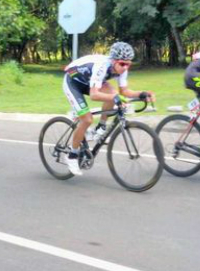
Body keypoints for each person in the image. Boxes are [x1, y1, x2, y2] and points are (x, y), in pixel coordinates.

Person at [63, 41, 155, 176]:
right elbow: (94, 95)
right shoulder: (101, 66)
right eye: (122, 64)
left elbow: (124, 92)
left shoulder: (122, 69)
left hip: (88, 82)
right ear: (113, 61)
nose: (125, 67)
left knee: (114, 94)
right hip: (73, 82)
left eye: (128, 64)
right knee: (87, 119)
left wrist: (142, 94)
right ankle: (72, 156)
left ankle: (100, 127)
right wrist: (115, 98)